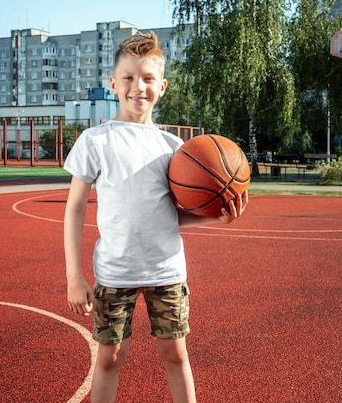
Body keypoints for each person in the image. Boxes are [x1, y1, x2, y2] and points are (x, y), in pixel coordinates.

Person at [63, 31, 248, 403]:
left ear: (161, 86)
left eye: (147, 79)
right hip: (115, 272)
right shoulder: (96, 141)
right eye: (128, 78)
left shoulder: (176, 149)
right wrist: (74, 276)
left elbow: (176, 215)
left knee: (176, 355)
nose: (138, 87)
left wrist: (217, 219)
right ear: (113, 83)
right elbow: (76, 208)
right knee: (110, 359)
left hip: (167, 272)